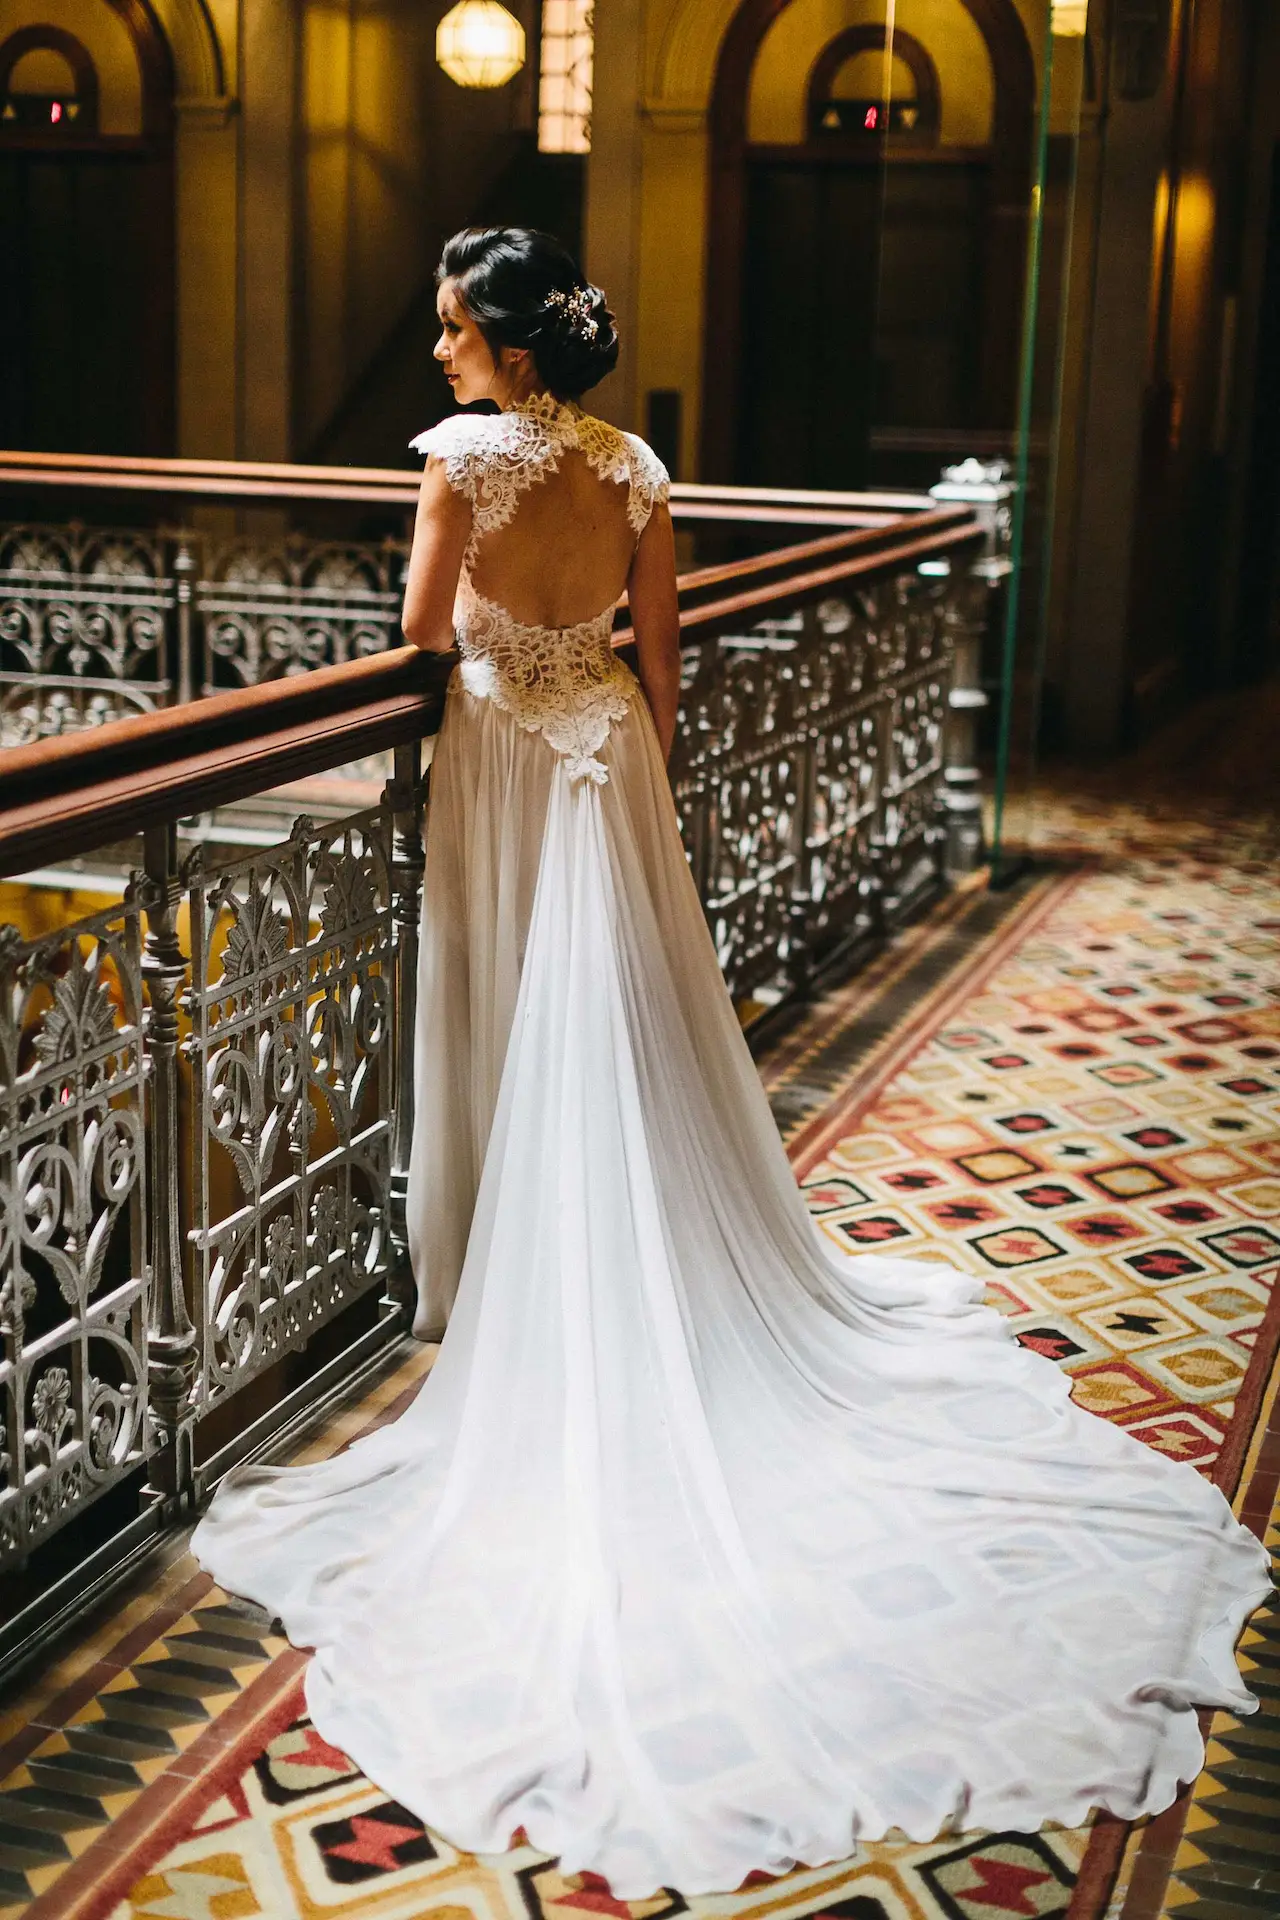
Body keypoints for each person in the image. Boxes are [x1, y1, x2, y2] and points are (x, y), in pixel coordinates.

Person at [191, 226, 1270, 1900]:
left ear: (513, 351)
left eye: (456, 330)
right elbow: (660, 651)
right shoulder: (631, 464)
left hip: (491, 749)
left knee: (493, 995)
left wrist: (497, 648)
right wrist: (618, 751)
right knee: (619, 1016)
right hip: (605, 755)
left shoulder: (459, 464)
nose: (440, 356)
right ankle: (595, 1236)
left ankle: (480, 1259)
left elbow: (421, 628)